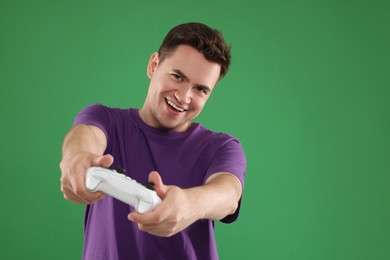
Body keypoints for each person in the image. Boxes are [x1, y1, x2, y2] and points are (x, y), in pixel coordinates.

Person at [60, 22, 246, 260]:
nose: (183, 97)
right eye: (177, 76)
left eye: (200, 89)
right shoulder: (105, 120)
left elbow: (228, 195)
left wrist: (189, 203)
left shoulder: (222, 147)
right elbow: (84, 136)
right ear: (153, 65)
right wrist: (76, 157)